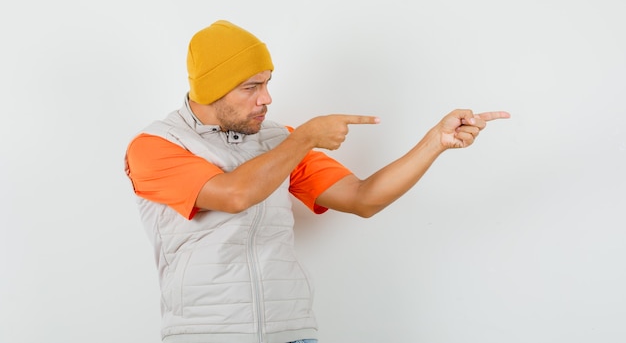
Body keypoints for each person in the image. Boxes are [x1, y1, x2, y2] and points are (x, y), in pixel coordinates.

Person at [124, 19, 510, 343]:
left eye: (267, 82)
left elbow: (363, 198)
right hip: (207, 333)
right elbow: (234, 194)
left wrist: (434, 143)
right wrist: (305, 136)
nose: (267, 99)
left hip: (293, 330)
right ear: (210, 90)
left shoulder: (279, 141)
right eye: (251, 87)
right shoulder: (156, 146)